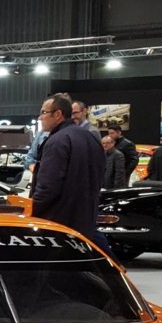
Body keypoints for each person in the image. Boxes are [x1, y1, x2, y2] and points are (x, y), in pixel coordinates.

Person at [31, 93, 108, 247]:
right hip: (86, 218)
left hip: (59, 221)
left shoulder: (57, 141)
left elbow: (48, 186)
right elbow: (100, 174)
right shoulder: (91, 138)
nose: (40, 117)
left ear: (58, 114)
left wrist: (33, 209)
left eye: (44, 112)